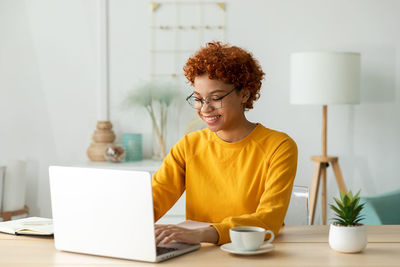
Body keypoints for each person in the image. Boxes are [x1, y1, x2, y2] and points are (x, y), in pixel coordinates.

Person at [153, 41, 298, 245]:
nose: (205, 109)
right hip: (199, 253)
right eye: (198, 98)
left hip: (254, 251)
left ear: (244, 94)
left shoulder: (279, 146)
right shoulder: (188, 146)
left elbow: (269, 219)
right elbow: (154, 200)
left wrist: (203, 234)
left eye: (216, 98)